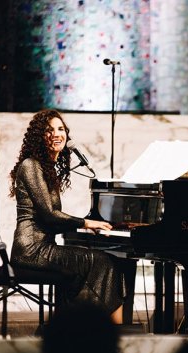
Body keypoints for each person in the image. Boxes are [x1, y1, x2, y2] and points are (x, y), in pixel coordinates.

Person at [9, 109, 126, 323]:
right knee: (102, 262)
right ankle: (113, 336)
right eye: (49, 130)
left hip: (42, 248)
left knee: (98, 264)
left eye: (60, 129)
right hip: (30, 251)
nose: (56, 134)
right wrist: (86, 223)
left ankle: (81, 329)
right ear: (38, 136)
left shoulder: (46, 169)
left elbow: (51, 219)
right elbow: (49, 216)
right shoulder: (30, 165)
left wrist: (82, 225)